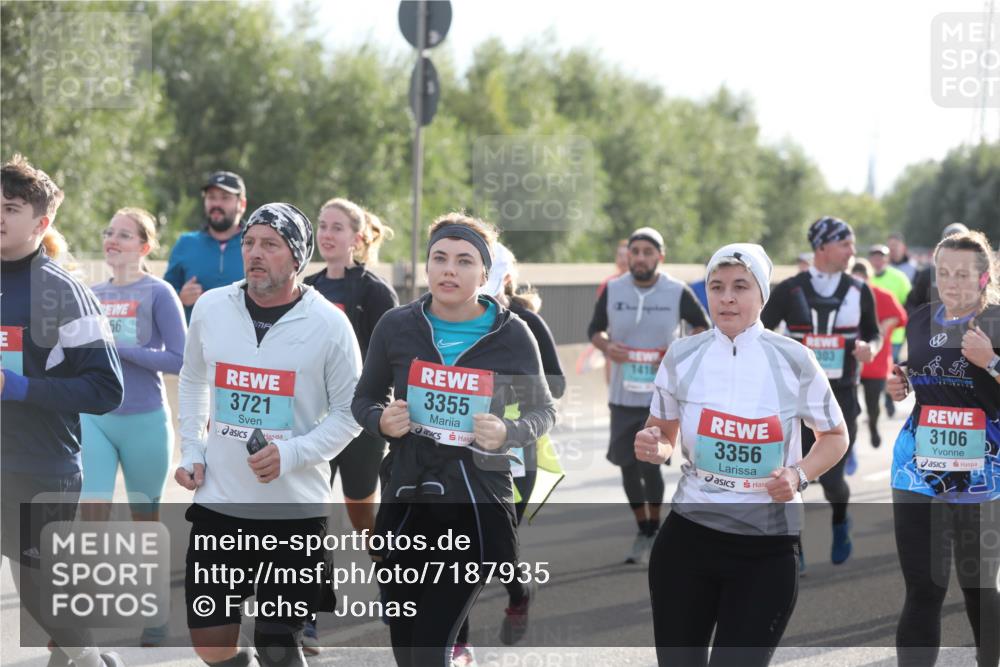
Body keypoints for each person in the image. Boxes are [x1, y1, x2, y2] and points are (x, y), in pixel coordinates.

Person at [352, 214, 556, 667]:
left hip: (474, 504)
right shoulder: (395, 325)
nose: (449, 269)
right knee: (406, 649)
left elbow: (545, 412)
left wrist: (508, 432)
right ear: (426, 266)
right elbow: (363, 399)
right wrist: (381, 421)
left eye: (464, 261)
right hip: (407, 498)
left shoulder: (511, 333)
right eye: (439, 258)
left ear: (485, 274)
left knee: (430, 650)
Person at [636, 243, 848, 667]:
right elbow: (661, 434)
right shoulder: (682, 355)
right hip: (688, 540)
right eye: (716, 286)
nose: (727, 297)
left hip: (765, 549)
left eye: (740, 286)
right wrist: (654, 446)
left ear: (762, 295)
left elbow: (835, 436)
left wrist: (798, 475)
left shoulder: (794, 358)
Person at [174, 203, 362, 667]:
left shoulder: (330, 325)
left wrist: (294, 452)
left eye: (270, 245)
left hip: (294, 513)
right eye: (249, 243)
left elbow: (351, 413)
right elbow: (194, 378)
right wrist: (193, 447)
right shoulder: (213, 308)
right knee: (211, 644)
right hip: (220, 502)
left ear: (297, 257)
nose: (255, 253)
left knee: (278, 644)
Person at [1, 154, 126, 667]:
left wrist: (19, 387)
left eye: (9, 208)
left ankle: (91, 660)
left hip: (43, 467)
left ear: (42, 222)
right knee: (31, 587)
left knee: (39, 592)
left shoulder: (63, 291)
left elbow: (106, 389)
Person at [886, 230, 1000, 667]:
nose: (951, 283)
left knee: (978, 586)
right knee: (923, 587)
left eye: (962, 274)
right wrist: (901, 383)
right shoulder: (920, 319)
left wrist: (990, 361)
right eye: (944, 273)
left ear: (983, 277)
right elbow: (916, 376)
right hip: (917, 469)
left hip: (982, 475)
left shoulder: (996, 322)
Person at [453, 242, 567, 652]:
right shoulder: (445, 319)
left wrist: (501, 404)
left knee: (496, 550)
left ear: (500, 279)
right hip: (455, 453)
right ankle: (456, 645)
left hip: (513, 456)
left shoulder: (524, 324)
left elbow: (555, 387)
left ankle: (519, 592)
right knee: (457, 551)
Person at [82, 207, 187, 646]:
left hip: (145, 420)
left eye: (123, 235)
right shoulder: (88, 293)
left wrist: (123, 349)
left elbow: (178, 359)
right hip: (95, 419)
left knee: (146, 522)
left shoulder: (159, 292)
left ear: (143, 247)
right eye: (109, 232)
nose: (112, 239)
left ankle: (154, 613)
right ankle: (77, 620)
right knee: (91, 513)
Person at [299, 197, 397, 655]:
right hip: (314, 419)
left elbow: (392, 358)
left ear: (357, 238)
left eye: (337, 227)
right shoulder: (306, 287)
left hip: (360, 421)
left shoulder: (376, 292)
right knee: (310, 516)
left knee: (362, 517)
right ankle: (308, 617)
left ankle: (389, 576)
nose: (327, 234)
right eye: (322, 226)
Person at [761, 216, 880, 565]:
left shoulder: (860, 290)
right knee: (792, 475)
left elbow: (873, 332)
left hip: (841, 396)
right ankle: (792, 547)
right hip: (794, 398)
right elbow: (760, 330)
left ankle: (841, 518)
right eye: (846, 244)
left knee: (832, 480)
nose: (852, 251)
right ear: (823, 247)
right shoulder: (789, 288)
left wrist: (869, 348)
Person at [587, 227, 709, 564]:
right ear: (628, 256)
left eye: (647, 252)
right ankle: (644, 528)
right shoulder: (613, 289)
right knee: (627, 465)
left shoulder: (676, 290)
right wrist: (608, 346)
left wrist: (676, 351)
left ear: (660, 257)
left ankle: (653, 530)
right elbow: (593, 331)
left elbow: (702, 327)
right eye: (635, 252)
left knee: (650, 463)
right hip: (622, 393)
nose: (640, 258)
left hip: (660, 397)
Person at [164, 171, 248, 321]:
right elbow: (163, 297)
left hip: (248, 341)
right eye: (211, 197)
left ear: (242, 204)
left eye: (225, 198)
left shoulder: (256, 244)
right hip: (196, 342)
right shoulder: (186, 243)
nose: (216, 204)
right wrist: (179, 297)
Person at [851, 258, 907, 449]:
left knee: (872, 406)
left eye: (863, 278)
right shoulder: (846, 296)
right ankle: (848, 445)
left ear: (869, 278)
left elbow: (901, 317)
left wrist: (884, 326)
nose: (859, 282)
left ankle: (874, 426)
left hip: (877, 362)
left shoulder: (882, 296)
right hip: (851, 363)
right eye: (854, 277)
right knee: (850, 408)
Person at [869, 244, 912, 417]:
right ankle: (878, 403)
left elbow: (910, 302)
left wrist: (895, 320)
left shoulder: (899, 278)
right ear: (871, 260)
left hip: (895, 334)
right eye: (875, 257)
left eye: (881, 257)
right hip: (873, 335)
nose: (878, 261)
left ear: (887, 259)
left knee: (890, 368)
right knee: (877, 371)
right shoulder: (867, 279)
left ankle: (890, 403)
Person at [906, 222, 970, 314]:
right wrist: (921, 324)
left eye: (961, 244)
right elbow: (912, 304)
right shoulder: (928, 275)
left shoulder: (976, 275)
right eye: (951, 244)